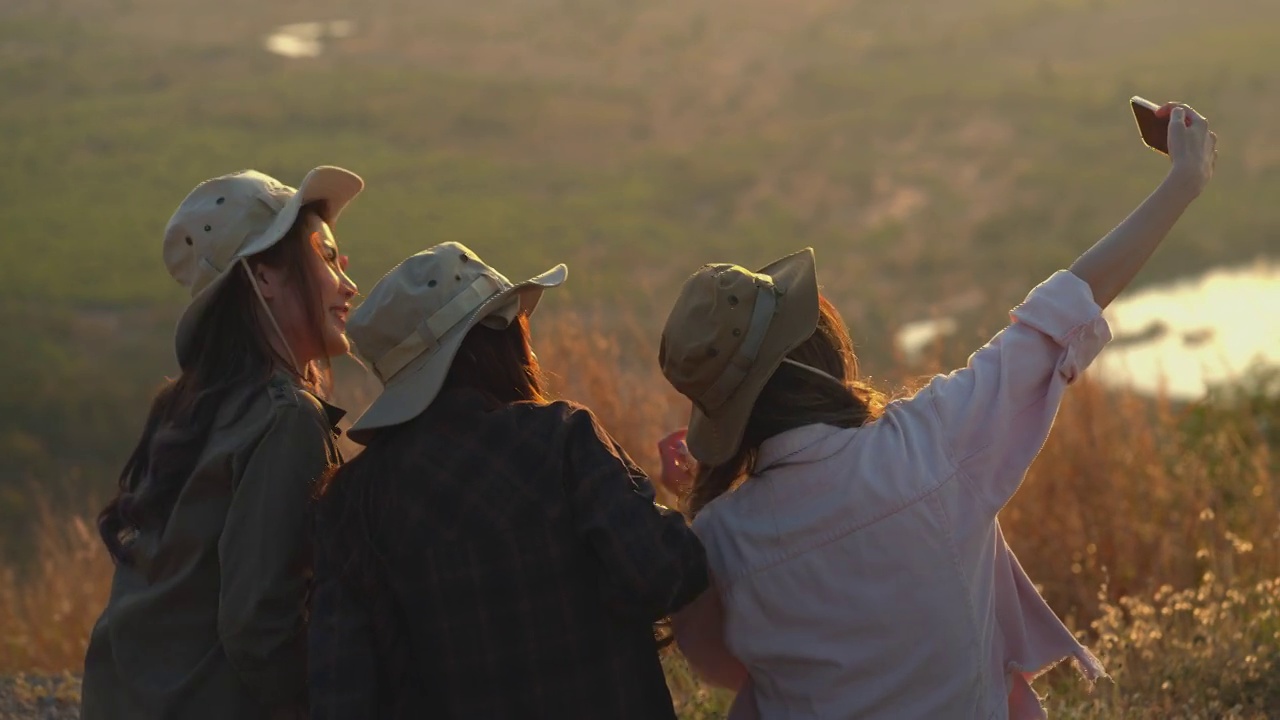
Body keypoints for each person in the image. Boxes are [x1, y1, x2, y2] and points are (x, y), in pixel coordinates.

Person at [659, 103, 1217, 718]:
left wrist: (705, 504)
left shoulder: (715, 543)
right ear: (813, 350)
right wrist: (1183, 182)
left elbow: (731, 672)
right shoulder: (930, 445)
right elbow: (1061, 311)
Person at [308, 242, 710, 719]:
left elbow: (341, 688)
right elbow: (668, 573)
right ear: (495, 337)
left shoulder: (355, 499)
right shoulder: (562, 439)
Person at [82, 166, 364, 720]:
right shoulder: (285, 420)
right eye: (327, 258)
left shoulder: (192, 407)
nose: (348, 284)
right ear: (263, 277)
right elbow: (259, 627)